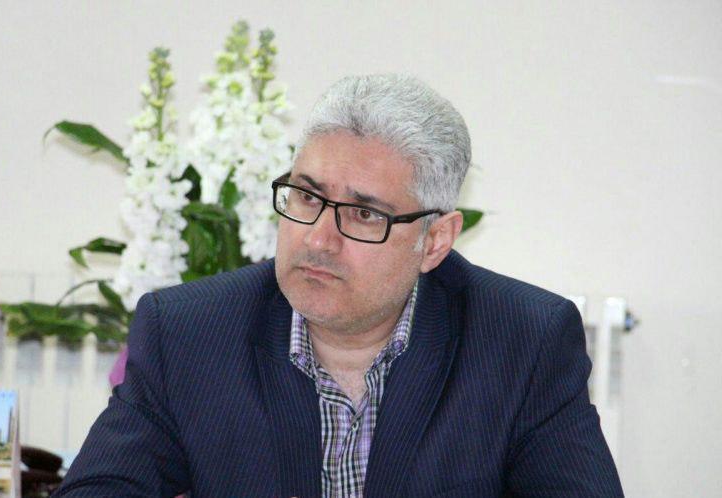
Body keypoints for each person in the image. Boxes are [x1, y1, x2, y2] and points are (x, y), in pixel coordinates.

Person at [53, 74, 624, 497]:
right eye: (307, 197)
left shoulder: (524, 341)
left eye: (365, 214)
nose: (318, 239)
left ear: (435, 241)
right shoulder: (188, 333)